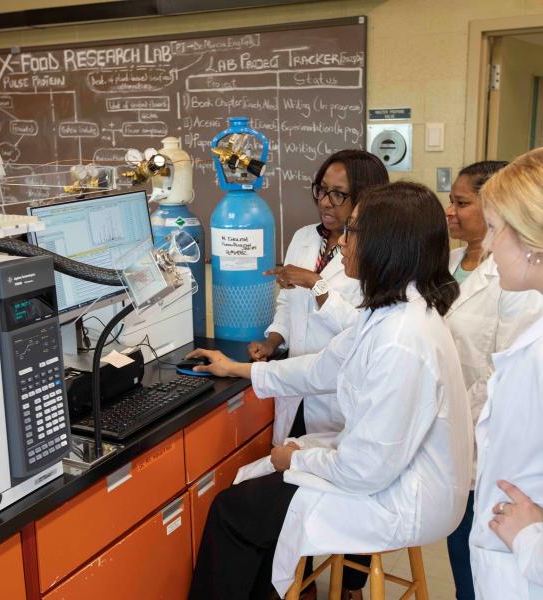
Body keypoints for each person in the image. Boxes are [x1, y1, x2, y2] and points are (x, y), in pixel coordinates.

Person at [187, 182, 473, 600]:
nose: (341, 243)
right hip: (383, 475)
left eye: (352, 232)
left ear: (384, 244)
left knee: (233, 513)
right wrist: (239, 369)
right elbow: (322, 367)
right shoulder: (392, 312)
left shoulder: (401, 337)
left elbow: (366, 470)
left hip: (399, 497)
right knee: (251, 500)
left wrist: (299, 458)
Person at [248, 151, 388, 600]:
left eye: (338, 194)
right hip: (300, 383)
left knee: (349, 490)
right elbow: (288, 305)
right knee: (297, 489)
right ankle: (301, 583)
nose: (325, 202)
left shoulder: (375, 249)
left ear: (365, 198)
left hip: (342, 393)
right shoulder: (306, 237)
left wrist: (315, 283)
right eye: (321, 190)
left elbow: (360, 326)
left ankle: (350, 587)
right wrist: (272, 338)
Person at [444, 161, 543, 600]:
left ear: (533, 239)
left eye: (498, 229)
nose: (492, 244)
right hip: (507, 547)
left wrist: (531, 538)